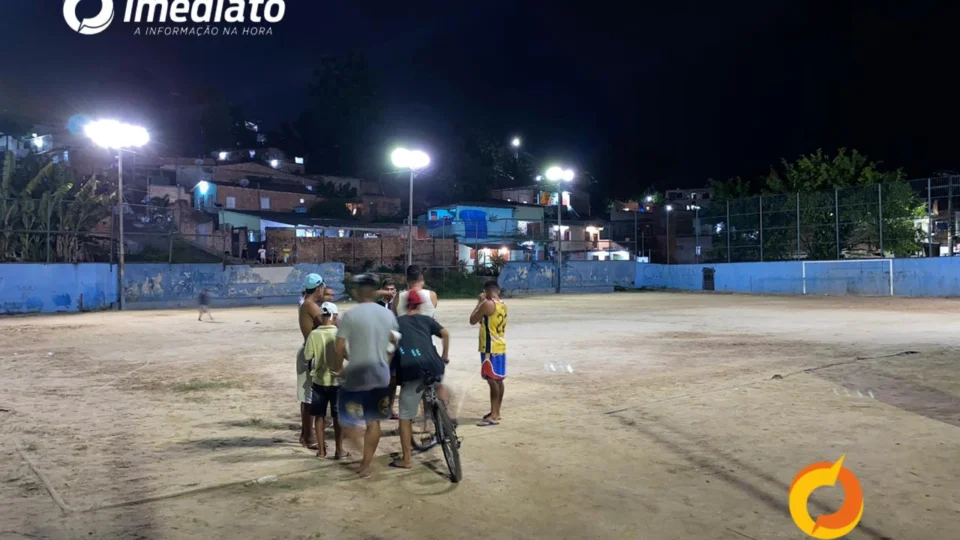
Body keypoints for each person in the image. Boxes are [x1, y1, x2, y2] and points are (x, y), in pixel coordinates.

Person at [335, 274, 399, 478]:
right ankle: (366, 463)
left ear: (356, 292)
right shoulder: (387, 315)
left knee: (348, 420)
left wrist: (346, 361)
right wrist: (385, 359)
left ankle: (359, 448)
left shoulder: (350, 315)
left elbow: (339, 347)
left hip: (357, 373)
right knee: (374, 421)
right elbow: (395, 341)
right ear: (374, 292)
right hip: (381, 374)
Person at [390, 292, 450, 469]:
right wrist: (444, 356)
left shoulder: (398, 323)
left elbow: (391, 348)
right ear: (420, 306)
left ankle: (407, 459)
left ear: (405, 306)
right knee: (437, 386)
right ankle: (445, 421)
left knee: (405, 415)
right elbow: (445, 334)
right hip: (435, 365)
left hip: (412, 369)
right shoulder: (427, 320)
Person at [306, 302, 347, 459]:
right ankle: (339, 450)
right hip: (336, 382)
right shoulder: (339, 334)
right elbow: (347, 354)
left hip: (318, 381)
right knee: (338, 417)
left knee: (319, 416)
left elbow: (308, 357)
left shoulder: (314, 334)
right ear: (335, 316)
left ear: (322, 316)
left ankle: (321, 451)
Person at [469, 279, 507, 426]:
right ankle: (496, 411)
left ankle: (494, 415)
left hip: (489, 347)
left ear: (487, 291)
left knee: (492, 380)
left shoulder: (487, 304)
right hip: (500, 344)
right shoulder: (502, 305)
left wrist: (479, 302)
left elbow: (472, 319)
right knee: (498, 380)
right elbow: (484, 321)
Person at [297, 273, 326, 449]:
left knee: (307, 397)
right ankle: (309, 436)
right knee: (309, 398)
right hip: (311, 354)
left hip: (309, 352)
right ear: (319, 288)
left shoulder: (306, 304)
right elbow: (329, 323)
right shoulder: (310, 305)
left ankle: (305, 434)